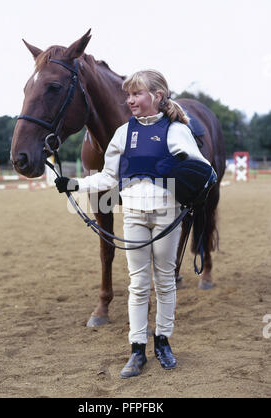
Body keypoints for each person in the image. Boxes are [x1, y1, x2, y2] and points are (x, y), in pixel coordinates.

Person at [55, 69, 211, 378]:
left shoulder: (177, 130)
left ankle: (163, 342)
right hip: (135, 215)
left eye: (136, 94)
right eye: (128, 95)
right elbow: (108, 178)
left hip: (167, 214)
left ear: (157, 96)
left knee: (164, 281)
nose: (130, 100)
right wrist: (73, 184)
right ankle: (137, 349)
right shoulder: (123, 133)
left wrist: (182, 177)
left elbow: (203, 170)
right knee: (138, 284)